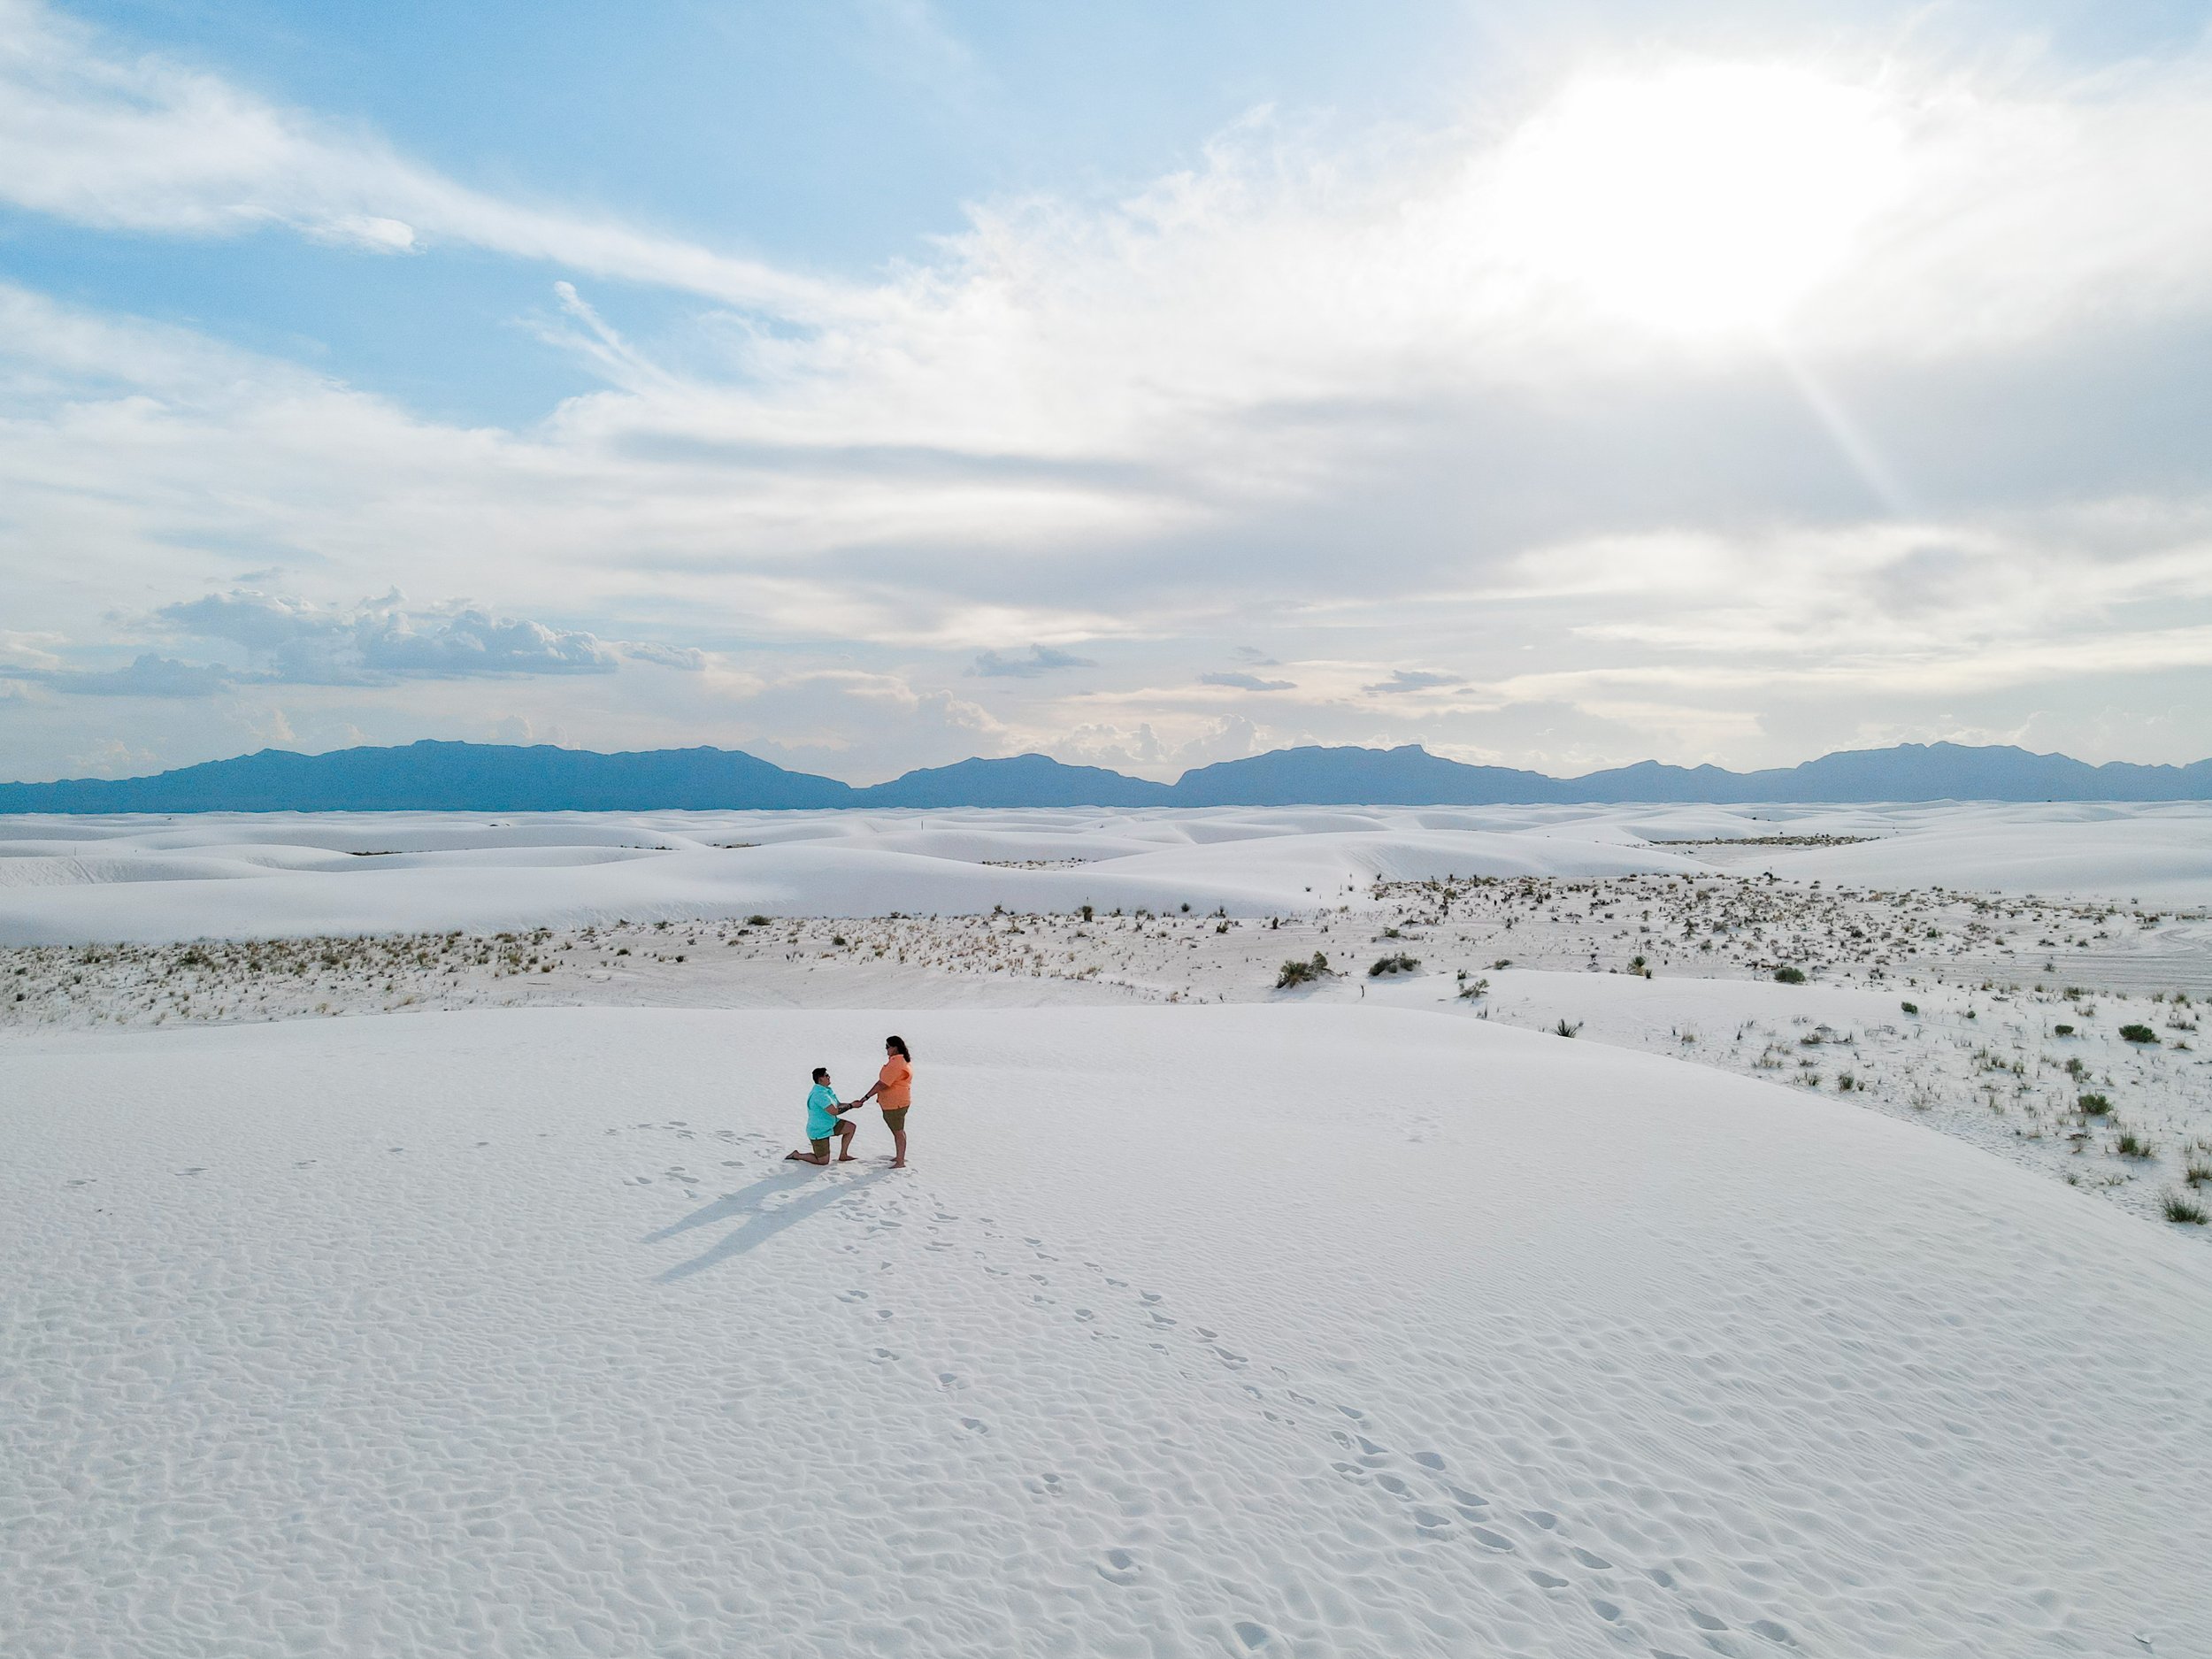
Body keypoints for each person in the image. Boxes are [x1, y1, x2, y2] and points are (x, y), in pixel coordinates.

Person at [851, 1034, 913, 1168]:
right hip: (898, 1101)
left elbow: (882, 1084)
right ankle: (899, 1157)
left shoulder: (896, 1063)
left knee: (898, 1132)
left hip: (895, 1103)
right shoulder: (899, 1060)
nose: (886, 1050)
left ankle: (900, 1161)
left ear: (895, 1048)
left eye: (887, 1047)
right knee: (898, 1131)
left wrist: (865, 1097)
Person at [783, 1065, 856, 1165]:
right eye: (827, 1075)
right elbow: (834, 1111)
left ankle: (843, 1155)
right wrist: (851, 1106)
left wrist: (853, 1104)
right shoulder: (819, 1095)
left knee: (851, 1127)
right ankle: (797, 1155)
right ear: (821, 1079)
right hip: (819, 1131)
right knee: (823, 1161)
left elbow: (838, 1105)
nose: (829, 1077)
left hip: (831, 1124)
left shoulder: (827, 1090)